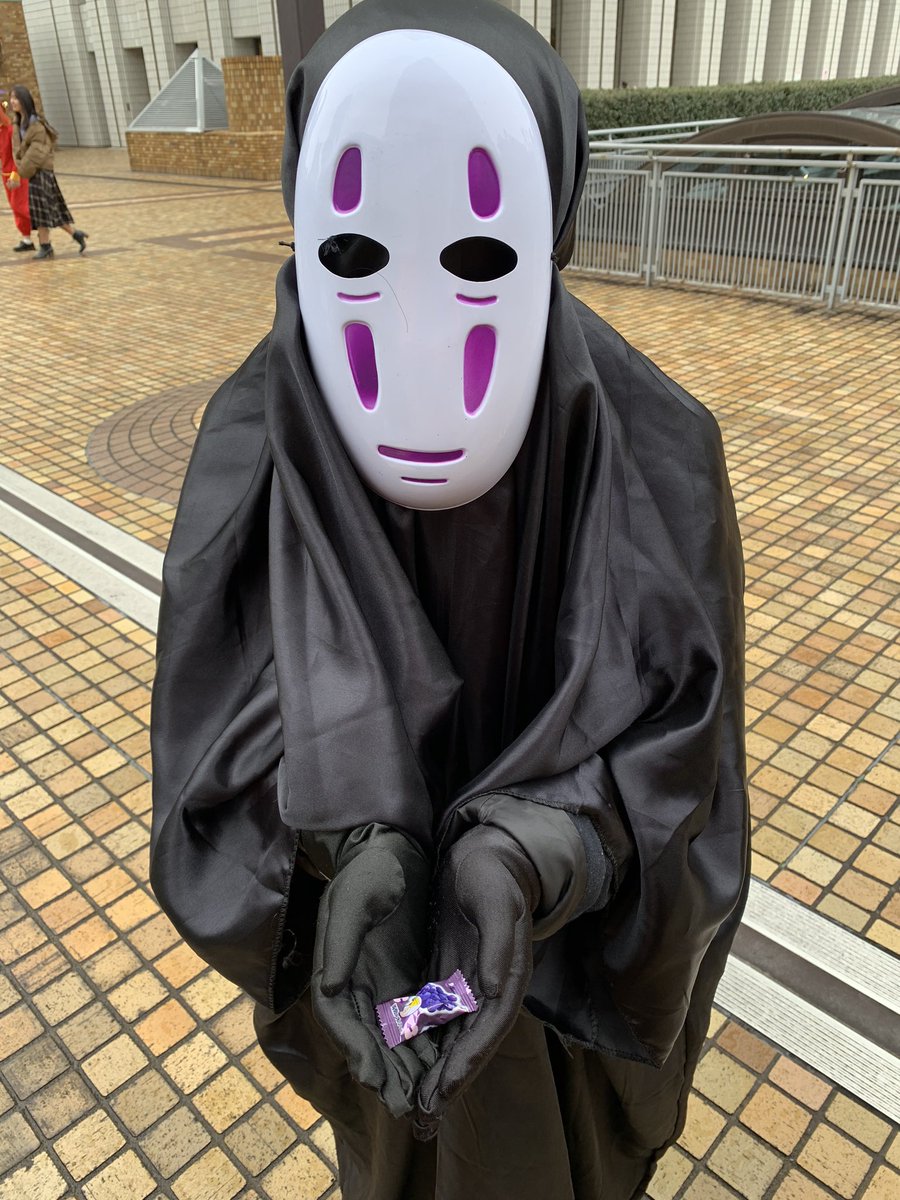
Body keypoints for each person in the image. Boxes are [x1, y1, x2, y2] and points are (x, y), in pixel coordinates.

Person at [150, 2, 748, 1198]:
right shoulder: (254, 443)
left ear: (551, 224)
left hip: (550, 968)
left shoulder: (655, 448)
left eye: (476, 257)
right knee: (402, 1108)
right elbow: (209, 727)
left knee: (530, 1152)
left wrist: (549, 845)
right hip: (371, 947)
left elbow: (690, 745)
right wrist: (346, 831)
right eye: (357, 256)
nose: (418, 332)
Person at [8, 85, 87, 259]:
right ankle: (74, 235)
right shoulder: (19, 122)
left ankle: (46, 246)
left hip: (41, 172)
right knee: (47, 209)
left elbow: (35, 154)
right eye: (11, 98)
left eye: (16, 98)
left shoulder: (36, 125)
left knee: (43, 210)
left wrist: (19, 172)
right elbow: (18, 151)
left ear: (24, 101)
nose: (12, 101)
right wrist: (18, 170)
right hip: (32, 172)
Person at [0, 97, 33, 251]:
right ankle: (27, 239)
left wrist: (15, 173)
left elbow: (18, 154)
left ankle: (44, 227)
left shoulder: (11, 130)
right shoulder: (1, 131)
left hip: (17, 173)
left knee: (20, 206)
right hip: (6, 174)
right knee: (16, 208)